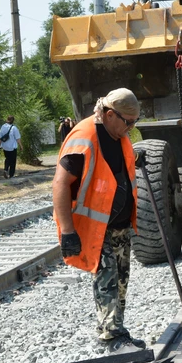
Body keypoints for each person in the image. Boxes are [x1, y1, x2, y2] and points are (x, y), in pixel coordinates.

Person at [52, 88, 144, 348]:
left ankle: (117, 330)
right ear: (110, 114)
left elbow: (112, 168)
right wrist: (68, 232)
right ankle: (110, 337)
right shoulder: (85, 138)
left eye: (135, 122)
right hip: (95, 226)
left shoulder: (117, 133)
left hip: (119, 225)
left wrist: (136, 159)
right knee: (107, 277)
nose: (131, 127)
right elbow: (60, 184)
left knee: (121, 280)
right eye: (128, 122)